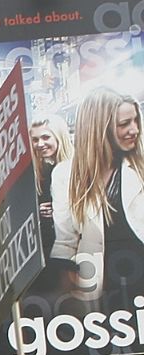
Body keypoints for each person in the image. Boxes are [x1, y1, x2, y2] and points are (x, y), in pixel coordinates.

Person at [52, 88, 144, 311]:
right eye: (124, 124)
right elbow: (65, 241)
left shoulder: (140, 166)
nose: (134, 130)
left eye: (136, 121)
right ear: (99, 129)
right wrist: (68, 289)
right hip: (102, 286)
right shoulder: (65, 175)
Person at [31, 113, 73, 256]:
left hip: (78, 243)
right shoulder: (38, 171)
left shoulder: (78, 166)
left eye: (45, 137)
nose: (40, 144)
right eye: (35, 139)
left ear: (59, 136)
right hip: (49, 244)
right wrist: (38, 211)